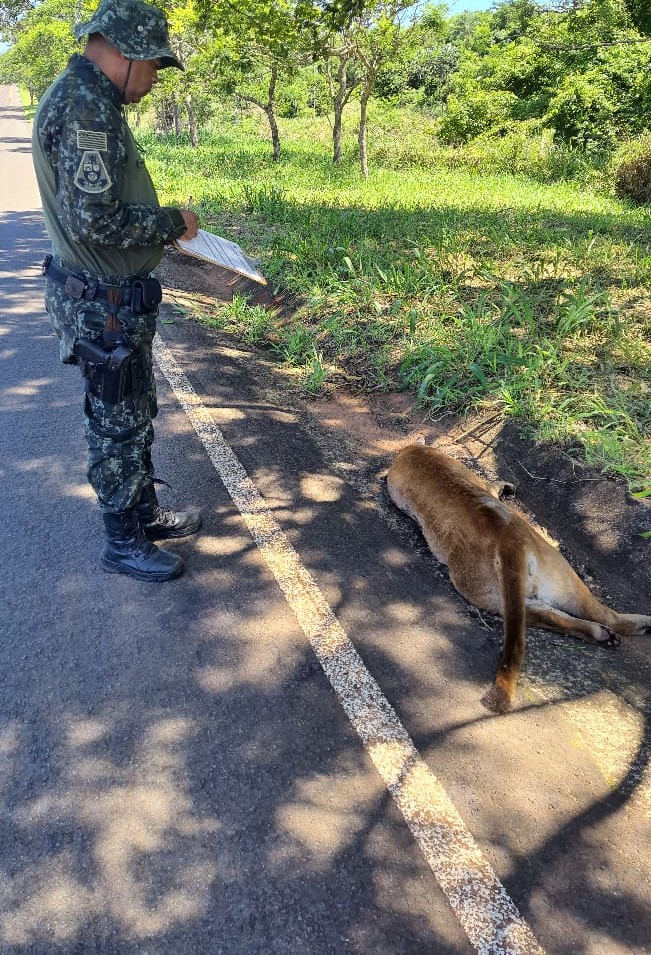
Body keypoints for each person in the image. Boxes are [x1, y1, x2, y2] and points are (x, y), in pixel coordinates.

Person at [32, 0, 201, 582]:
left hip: (110, 296)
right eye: (154, 66)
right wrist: (169, 223)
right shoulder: (85, 108)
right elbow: (92, 221)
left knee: (133, 409)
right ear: (124, 52)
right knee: (114, 420)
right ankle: (122, 540)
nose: (154, 80)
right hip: (101, 302)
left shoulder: (92, 98)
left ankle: (142, 513)